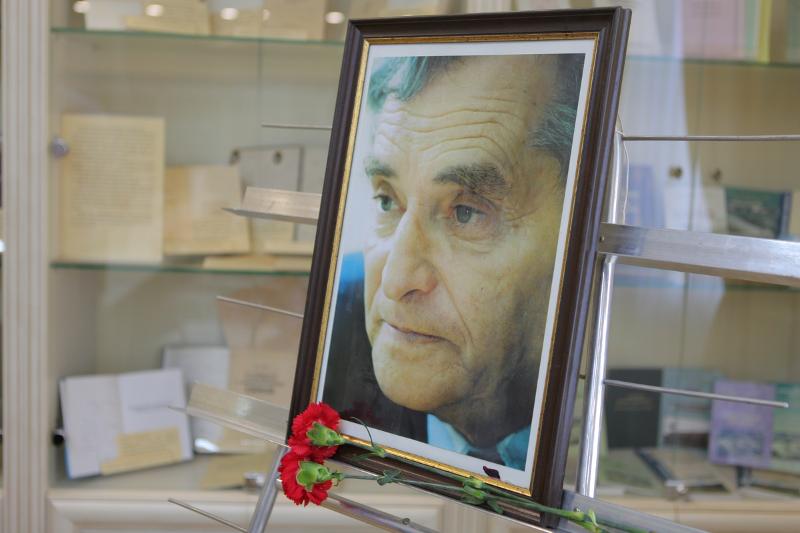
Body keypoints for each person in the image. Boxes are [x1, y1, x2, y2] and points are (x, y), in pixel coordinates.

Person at [322, 53, 583, 472]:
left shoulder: (615, 376)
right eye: (387, 200)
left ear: (578, 233)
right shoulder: (328, 340)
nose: (395, 280)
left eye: (466, 212)